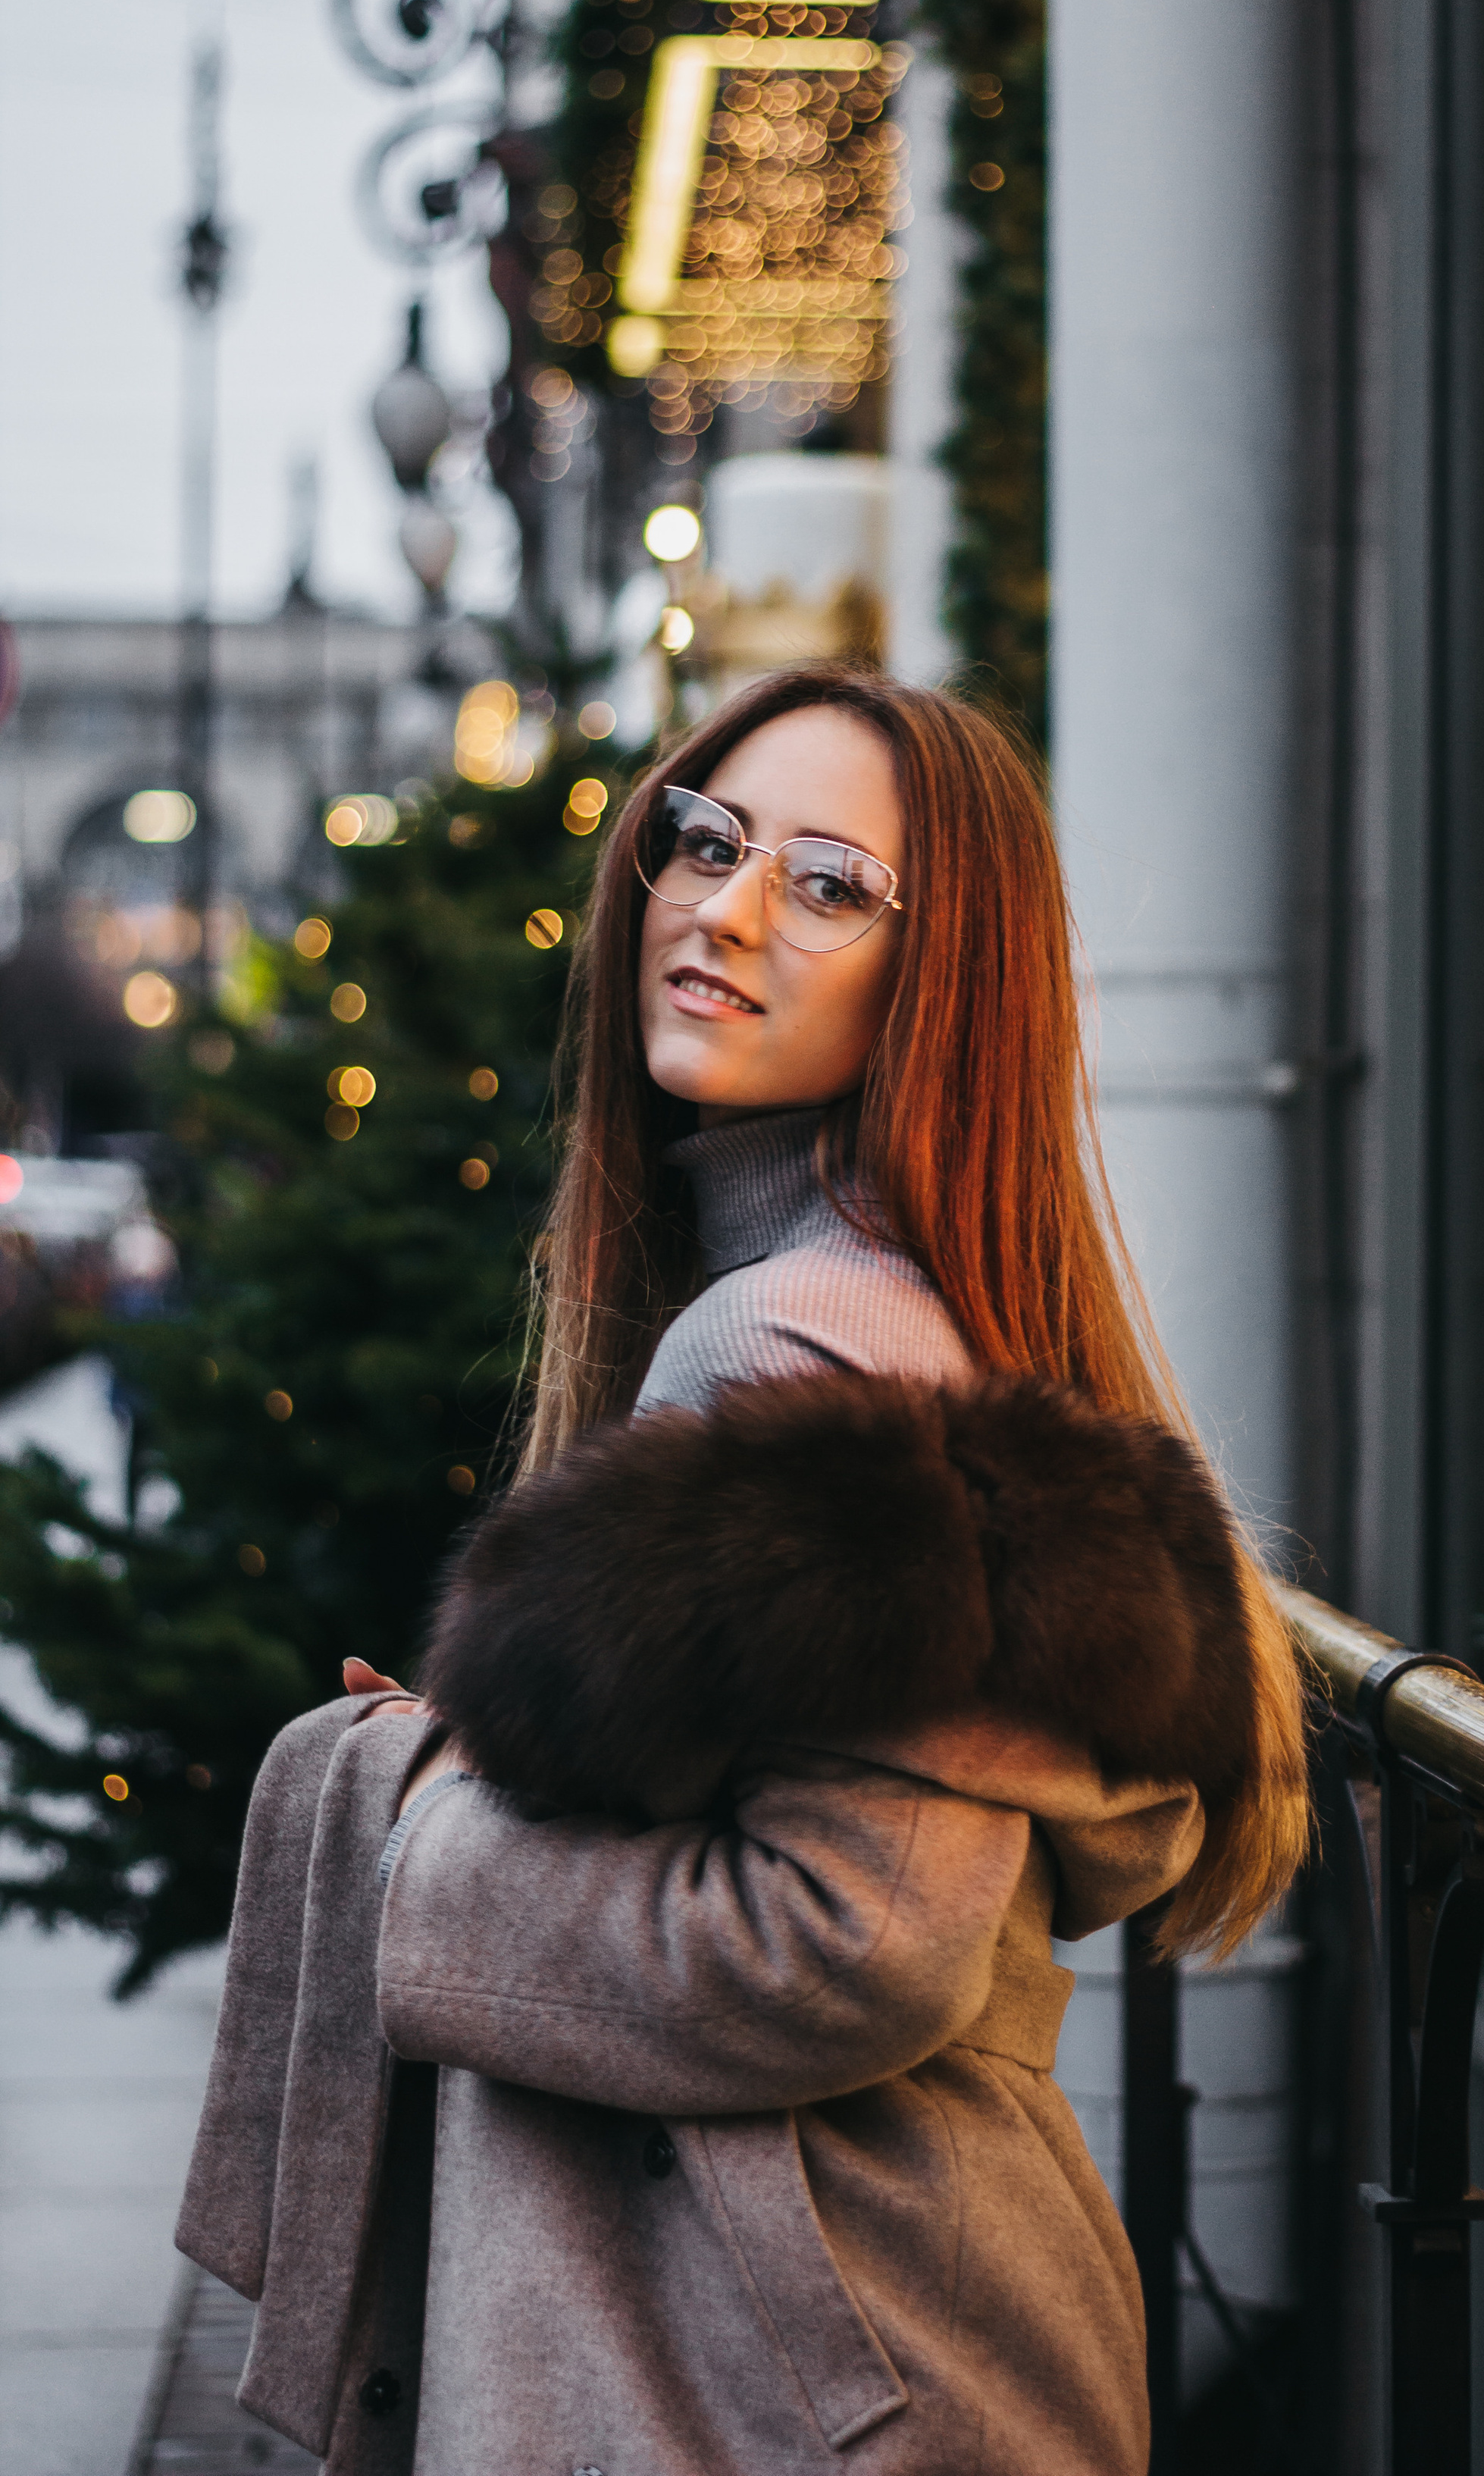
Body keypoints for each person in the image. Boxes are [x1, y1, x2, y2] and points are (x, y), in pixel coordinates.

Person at [176, 667, 1308, 2476]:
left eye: (831, 882)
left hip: (795, 2387)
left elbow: (841, 1943)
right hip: (812, 2344)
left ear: (943, 983)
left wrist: (396, 1831)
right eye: (704, 841)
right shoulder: (840, 1303)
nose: (723, 905)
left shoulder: (797, 1341)